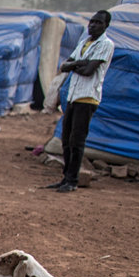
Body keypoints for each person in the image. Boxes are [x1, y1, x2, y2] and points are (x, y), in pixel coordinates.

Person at [48, 10, 114, 193]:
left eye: (98, 22)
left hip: (87, 97)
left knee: (77, 140)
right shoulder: (84, 43)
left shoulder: (106, 45)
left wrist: (76, 64)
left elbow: (88, 72)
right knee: (66, 139)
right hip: (73, 96)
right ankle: (65, 177)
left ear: (105, 25)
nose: (92, 25)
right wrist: (80, 63)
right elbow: (64, 66)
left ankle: (73, 180)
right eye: (91, 22)